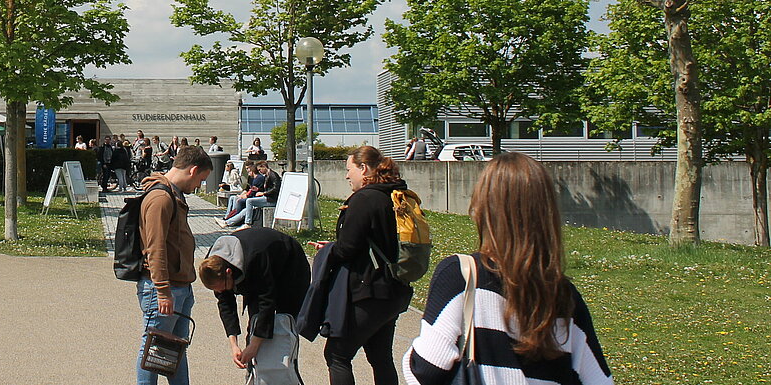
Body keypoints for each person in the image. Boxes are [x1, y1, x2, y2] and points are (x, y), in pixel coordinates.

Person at [403, 153, 613, 385]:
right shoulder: (565, 294)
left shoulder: (460, 274)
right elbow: (599, 379)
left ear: (482, 208)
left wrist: (408, 359)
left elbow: (427, 370)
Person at [315, 146, 412, 385]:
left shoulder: (365, 199)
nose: (347, 176)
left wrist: (329, 250)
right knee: (380, 357)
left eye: (349, 170)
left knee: (337, 354)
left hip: (369, 290)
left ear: (364, 168)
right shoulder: (394, 195)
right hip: (393, 287)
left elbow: (347, 248)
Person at [136, 145, 214, 385]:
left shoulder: (173, 194)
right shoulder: (161, 197)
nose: (199, 185)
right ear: (193, 170)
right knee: (153, 348)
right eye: (201, 179)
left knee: (175, 348)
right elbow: (155, 248)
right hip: (164, 288)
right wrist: (162, 289)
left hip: (179, 286)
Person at [199, 226, 311, 374]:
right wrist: (234, 344)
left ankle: (284, 373)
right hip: (253, 273)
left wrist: (255, 345)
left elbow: (267, 301)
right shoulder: (212, 266)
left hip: (290, 267)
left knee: (283, 325)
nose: (220, 292)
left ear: (228, 272)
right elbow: (225, 304)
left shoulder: (255, 258)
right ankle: (255, 374)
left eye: (223, 287)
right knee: (255, 324)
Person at [220, 161, 280, 229]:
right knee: (245, 210)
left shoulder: (273, 175)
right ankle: (227, 222)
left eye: (260, 169)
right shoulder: (267, 175)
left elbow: (276, 189)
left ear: (264, 167)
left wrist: (263, 193)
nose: (259, 171)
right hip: (266, 197)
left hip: (271, 199)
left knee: (249, 201)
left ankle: (248, 223)